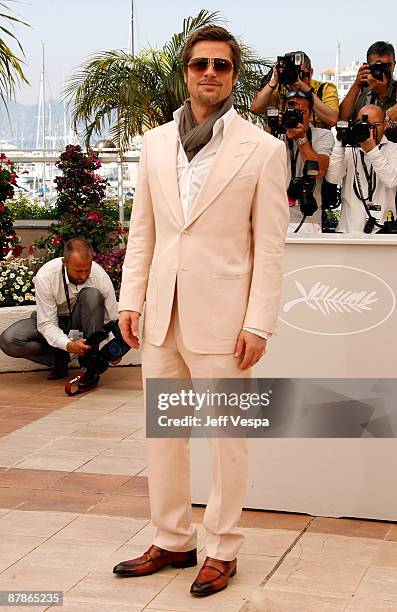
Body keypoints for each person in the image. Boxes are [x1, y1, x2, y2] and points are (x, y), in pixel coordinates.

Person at [113, 26, 289, 597]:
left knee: (227, 437)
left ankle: (223, 548)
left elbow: (270, 246)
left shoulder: (262, 149)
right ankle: (172, 538)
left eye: (220, 65)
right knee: (164, 435)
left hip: (226, 320)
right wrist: (131, 299)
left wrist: (259, 321)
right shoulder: (155, 144)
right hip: (162, 315)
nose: (209, 73)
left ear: (234, 77)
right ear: (185, 72)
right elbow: (144, 232)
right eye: (199, 65)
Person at [0, 238, 118, 387]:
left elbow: (112, 317)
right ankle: (59, 357)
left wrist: (115, 347)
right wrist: (67, 345)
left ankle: (90, 366)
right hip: (54, 321)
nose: (83, 276)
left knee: (92, 295)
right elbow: (47, 323)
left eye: (87, 269)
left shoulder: (99, 275)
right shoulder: (46, 275)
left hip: (81, 323)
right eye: (78, 271)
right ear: (65, 263)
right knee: (9, 340)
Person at [326, 105, 397, 233]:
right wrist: (340, 143)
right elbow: (332, 178)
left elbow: (391, 180)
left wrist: (371, 150)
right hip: (347, 230)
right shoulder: (348, 150)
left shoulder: (394, 149)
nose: (369, 130)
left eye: (375, 125)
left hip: (383, 231)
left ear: (386, 124)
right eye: (365, 125)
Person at [279, 90, 334, 232]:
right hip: (275, 217)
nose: (295, 116)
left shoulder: (323, 135)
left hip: (308, 219)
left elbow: (320, 171)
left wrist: (301, 139)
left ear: (310, 114)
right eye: (290, 111)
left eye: (301, 112)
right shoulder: (274, 135)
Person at [251, 50, 339, 129]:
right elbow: (255, 108)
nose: (297, 79)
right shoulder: (281, 89)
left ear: (311, 72)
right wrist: (275, 80)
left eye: (301, 75)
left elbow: (332, 119)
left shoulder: (325, 89)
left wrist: (306, 91)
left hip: (316, 142)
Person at [339, 41, 397, 143]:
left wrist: (382, 95)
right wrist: (356, 85)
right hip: (360, 150)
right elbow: (342, 120)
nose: (383, 71)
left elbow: (384, 127)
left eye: (387, 66)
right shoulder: (361, 90)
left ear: (394, 65)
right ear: (367, 66)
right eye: (377, 67)